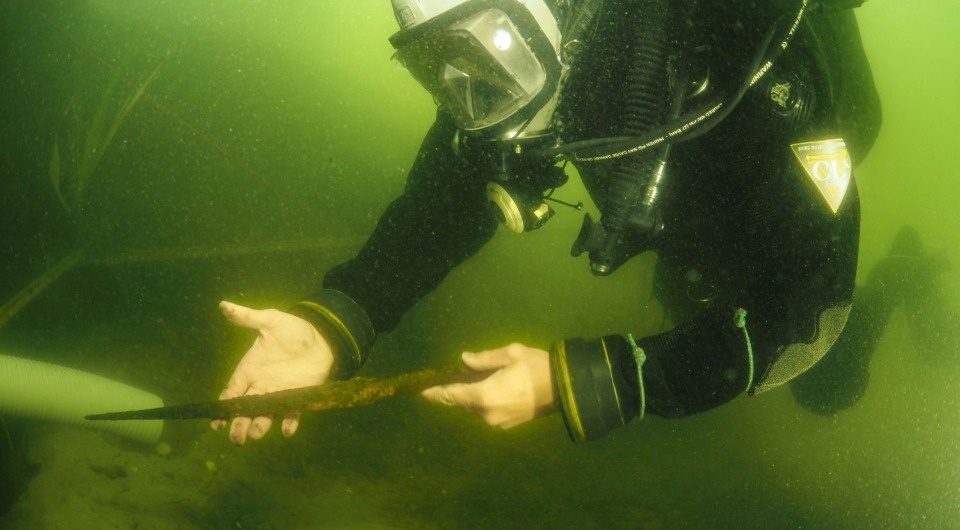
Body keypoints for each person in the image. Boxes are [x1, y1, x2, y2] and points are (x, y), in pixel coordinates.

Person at [212, 0, 884, 445]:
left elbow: (812, 308)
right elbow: (446, 201)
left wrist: (593, 381)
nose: (472, 94)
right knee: (688, 300)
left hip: (765, 182)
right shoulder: (506, 71)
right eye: (438, 64)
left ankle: (897, 280)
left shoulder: (745, 64)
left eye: (485, 54)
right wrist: (337, 319)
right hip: (675, 203)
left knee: (825, 388)